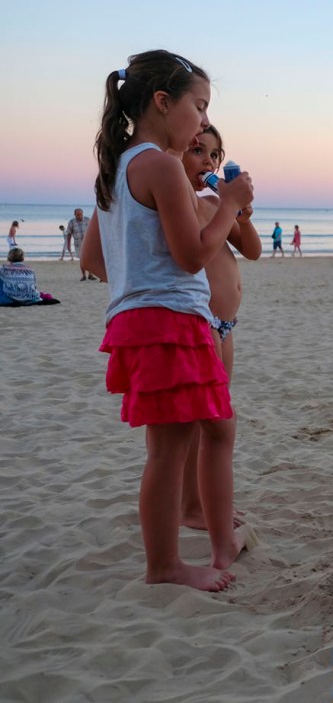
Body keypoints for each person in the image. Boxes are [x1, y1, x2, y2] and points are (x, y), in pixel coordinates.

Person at [79, 49, 254, 591]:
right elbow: (193, 256)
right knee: (169, 452)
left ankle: (217, 537)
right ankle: (166, 566)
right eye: (198, 106)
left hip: (145, 319)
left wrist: (136, 283)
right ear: (162, 102)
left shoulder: (118, 167)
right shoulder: (158, 164)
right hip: (171, 320)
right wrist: (230, 204)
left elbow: (94, 260)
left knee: (205, 432)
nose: (202, 120)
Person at [176, 125, 262, 535]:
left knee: (213, 414)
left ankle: (200, 499)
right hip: (203, 319)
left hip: (227, 326)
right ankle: (190, 504)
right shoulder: (182, 204)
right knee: (203, 419)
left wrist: (239, 212)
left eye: (214, 155)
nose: (207, 162)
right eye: (197, 151)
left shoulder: (214, 202)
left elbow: (253, 251)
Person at [67, 208, 93, 278]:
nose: (79, 216)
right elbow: (69, 234)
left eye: (81, 214)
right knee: (82, 260)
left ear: (82, 214)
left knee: (90, 258)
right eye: (78, 215)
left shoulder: (87, 220)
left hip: (88, 242)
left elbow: (93, 230)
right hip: (78, 244)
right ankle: (84, 275)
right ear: (75, 215)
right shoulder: (71, 222)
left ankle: (90, 274)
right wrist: (68, 245)